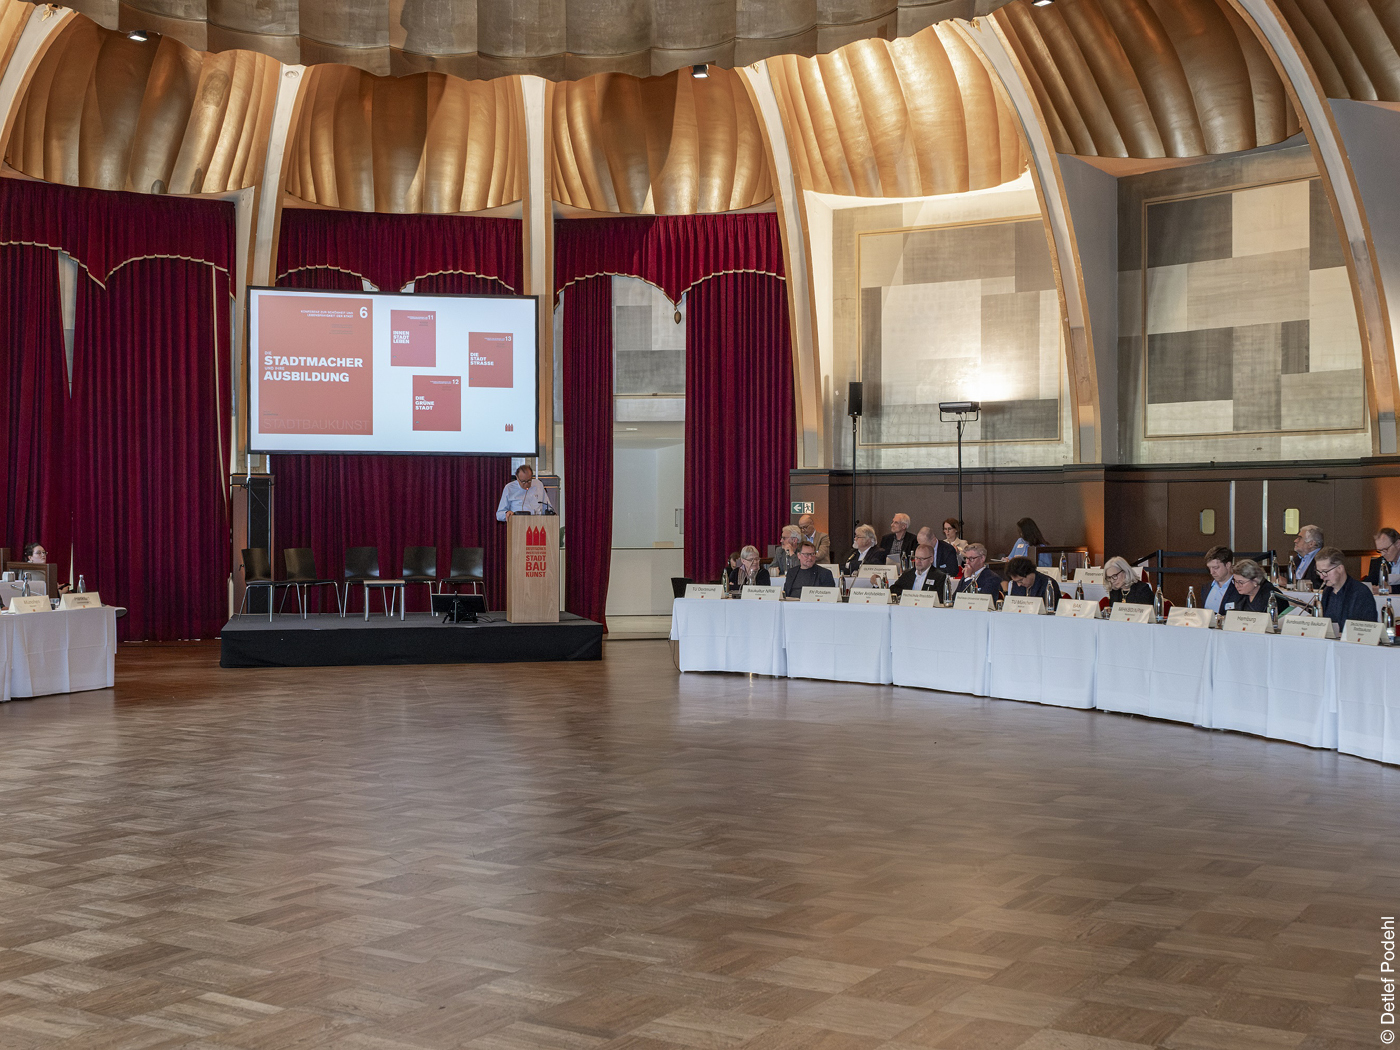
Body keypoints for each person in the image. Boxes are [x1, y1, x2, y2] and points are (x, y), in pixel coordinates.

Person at [1317, 546, 1378, 628]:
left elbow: (1368, 628)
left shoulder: (1361, 592)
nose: (1321, 577)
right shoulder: (1327, 591)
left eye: (1325, 572)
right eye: (1319, 572)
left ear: (1340, 568)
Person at [1202, 545, 1241, 613]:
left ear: (1228, 565)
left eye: (1216, 568)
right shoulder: (1206, 587)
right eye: (1209, 568)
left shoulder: (1239, 587)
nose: (1211, 572)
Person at [1364, 528, 1400, 593]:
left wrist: (1388, 589)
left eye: (1385, 549)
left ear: (1398, 544)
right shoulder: (1379, 562)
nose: (1382, 554)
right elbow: (1368, 582)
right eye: (1380, 550)